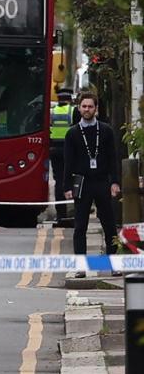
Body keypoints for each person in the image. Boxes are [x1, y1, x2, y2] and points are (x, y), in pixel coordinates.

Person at [64, 91, 120, 278]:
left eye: (90, 106)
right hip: (82, 182)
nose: (87, 109)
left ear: (96, 109)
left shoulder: (106, 131)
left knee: (109, 225)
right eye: (84, 106)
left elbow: (113, 159)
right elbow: (68, 162)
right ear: (79, 108)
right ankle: (81, 266)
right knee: (80, 227)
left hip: (102, 182)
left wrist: (115, 182)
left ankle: (113, 264)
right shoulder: (72, 133)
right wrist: (67, 187)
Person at [49, 89, 74, 221]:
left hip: (54, 150)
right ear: (69, 99)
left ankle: (61, 213)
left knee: (59, 181)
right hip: (69, 150)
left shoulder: (52, 112)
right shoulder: (73, 111)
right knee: (71, 178)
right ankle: (72, 210)